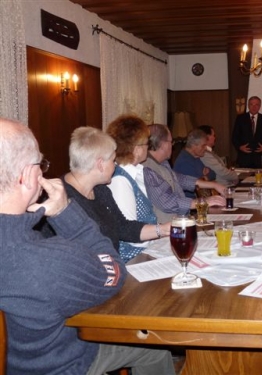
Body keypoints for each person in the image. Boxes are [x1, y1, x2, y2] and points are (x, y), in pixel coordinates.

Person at [0, 118, 174, 375]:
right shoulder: (44, 259)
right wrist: (67, 212)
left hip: (26, 355)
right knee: (154, 347)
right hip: (61, 363)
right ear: (27, 176)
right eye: (40, 165)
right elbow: (114, 272)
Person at [63, 127, 171, 262]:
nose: (115, 166)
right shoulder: (63, 200)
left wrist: (164, 229)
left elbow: (122, 226)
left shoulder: (100, 190)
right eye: (113, 161)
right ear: (100, 164)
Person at [144, 123, 226, 223]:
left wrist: (213, 184)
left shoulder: (162, 162)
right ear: (162, 144)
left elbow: (178, 178)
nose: (172, 146)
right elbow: (166, 202)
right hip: (165, 228)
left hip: (179, 220)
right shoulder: (147, 167)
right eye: (171, 142)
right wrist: (201, 202)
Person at [107, 115, 158, 262]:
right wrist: (162, 232)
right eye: (146, 144)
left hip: (149, 248)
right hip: (134, 259)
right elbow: (130, 235)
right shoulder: (120, 181)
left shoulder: (136, 173)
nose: (148, 147)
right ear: (136, 150)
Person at [232, 96, 262, 168]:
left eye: (256, 105)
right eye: (251, 104)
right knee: (244, 179)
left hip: (260, 158)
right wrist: (240, 147)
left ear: (260, 106)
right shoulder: (240, 119)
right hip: (244, 158)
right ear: (248, 106)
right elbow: (234, 137)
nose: (254, 107)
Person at [174, 128, 216, 197]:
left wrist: (204, 177)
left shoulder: (196, 157)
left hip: (200, 199)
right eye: (203, 146)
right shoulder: (184, 162)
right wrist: (204, 177)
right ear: (193, 146)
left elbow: (213, 174)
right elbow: (198, 185)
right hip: (190, 203)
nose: (205, 148)